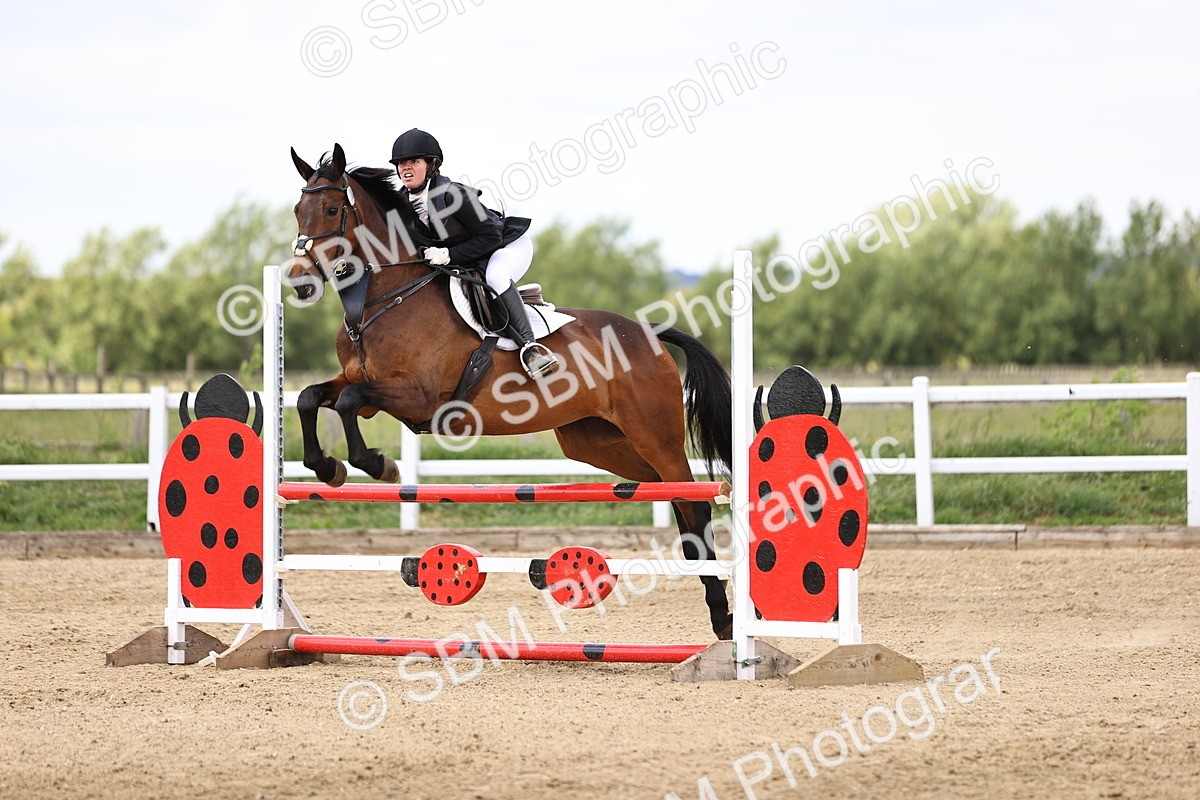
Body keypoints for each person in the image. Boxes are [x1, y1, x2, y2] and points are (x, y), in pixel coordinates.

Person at [389, 128, 559, 378]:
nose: (407, 168)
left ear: (431, 165)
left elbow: (491, 236)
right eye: (402, 163)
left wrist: (449, 255)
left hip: (506, 246)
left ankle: (531, 348)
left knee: (496, 277)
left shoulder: (453, 194)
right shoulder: (401, 206)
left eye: (414, 161)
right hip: (470, 257)